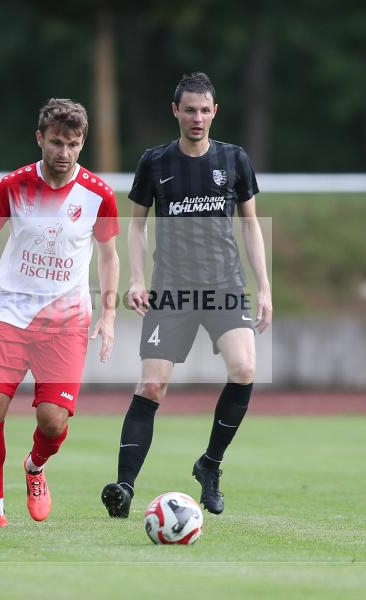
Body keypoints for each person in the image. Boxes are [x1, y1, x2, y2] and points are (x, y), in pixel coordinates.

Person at [101, 72, 272, 518]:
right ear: (175, 111)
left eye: (204, 110)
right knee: (152, 386)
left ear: (215, 112)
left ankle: (209, 465)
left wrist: (265, 287)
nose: (197, 117)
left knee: (245, 368)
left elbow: (251, 225)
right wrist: (137, 280)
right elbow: (136, 226)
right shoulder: (154, 162)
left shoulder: (234, 160)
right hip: (172, 289)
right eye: (189, 109)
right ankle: (123, 487)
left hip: (224, 286)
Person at [0, 98, 119, 528]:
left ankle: (35, 467)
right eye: (56, 142)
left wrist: (108, 314)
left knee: (52, 420)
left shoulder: (98, 194)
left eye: (73, 144)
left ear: (82, 145)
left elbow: (108, 256)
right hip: (11, 312)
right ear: (40, 139)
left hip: (66, 321)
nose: (63, 152)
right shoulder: (13, 186)